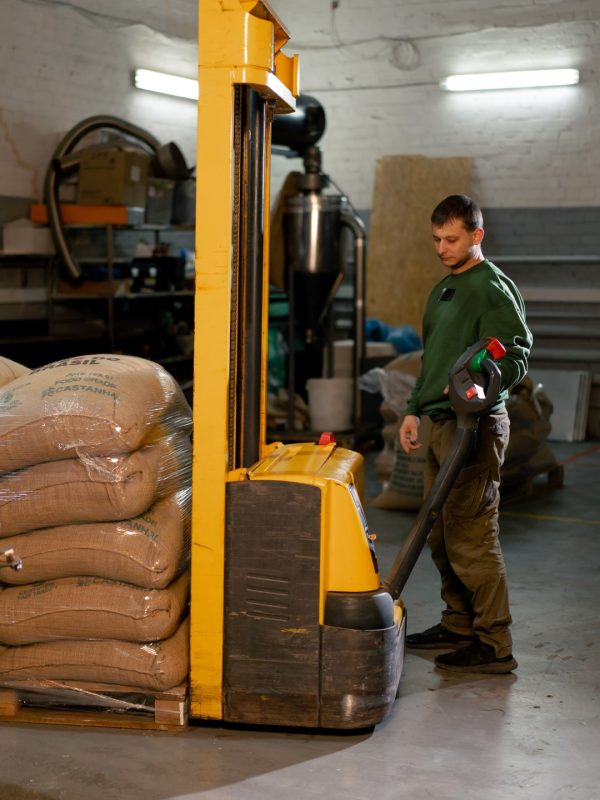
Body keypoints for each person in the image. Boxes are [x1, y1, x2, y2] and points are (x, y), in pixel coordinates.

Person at [399, 194, 532, 674]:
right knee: (440, 534)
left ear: (477, 235)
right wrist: (414, 410)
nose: (442, 248)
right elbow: (431, 357)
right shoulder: (442, 290)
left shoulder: (490, 287)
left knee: (472, 534)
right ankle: (459, 622)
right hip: (438, 423)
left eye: (451, 239)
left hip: (472, 428)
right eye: (436, 239)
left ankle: (495, 644)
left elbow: (516, 352)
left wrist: (486, 375)